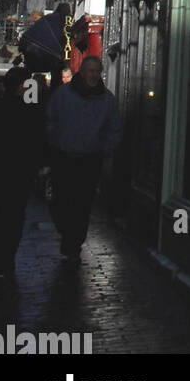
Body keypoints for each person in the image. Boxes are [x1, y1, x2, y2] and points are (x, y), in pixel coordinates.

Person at [45, 55, 121, 261]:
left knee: (83, 203)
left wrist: (104, 148)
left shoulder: (107, 100)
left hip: (90, 159)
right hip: (64, 156)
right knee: (61, 199)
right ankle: (67, 232)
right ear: (82, 72)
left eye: (97, 71)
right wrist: (55, 142)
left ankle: (74, 242)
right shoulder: (64, 94)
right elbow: (50, 119)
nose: (94, 75)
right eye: (90, 71)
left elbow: (114, 129)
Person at [0, 68, 46, 276]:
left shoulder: (3, 105)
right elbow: (38, 135)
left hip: (6, 169)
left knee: (5, 214)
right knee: (14, 215)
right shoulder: (30, 108)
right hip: (20, 170)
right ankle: (6, 258)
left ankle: (2, 258)